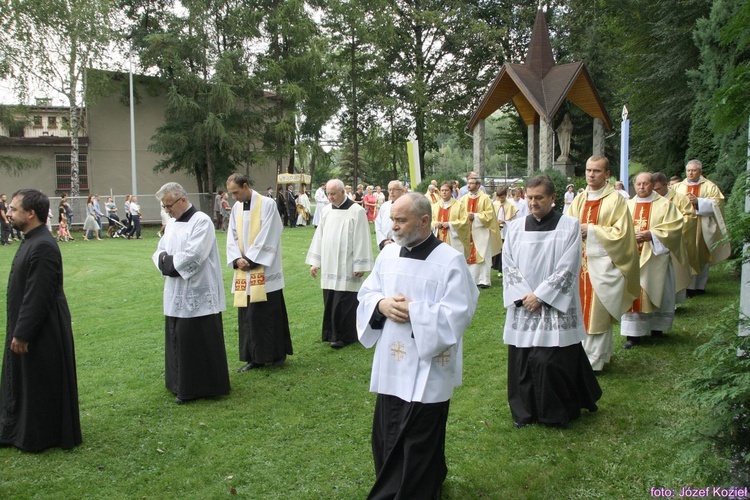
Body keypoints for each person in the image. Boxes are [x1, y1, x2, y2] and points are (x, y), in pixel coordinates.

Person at [356, 193, 478, 498]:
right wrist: (382, 304)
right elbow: (367, 293)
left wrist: (416, 311)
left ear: (424, 221)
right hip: (392, 362)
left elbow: (459, 312)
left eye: (400, 220)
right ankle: (394, 484)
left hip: (429, 365)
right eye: (392, 219)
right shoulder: (388, 255)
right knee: (388, 430)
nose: (393, 227)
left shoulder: (449, 260)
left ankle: (415, 490)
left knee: (420, 437)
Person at [502, 175, 601, 428]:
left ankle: (555, 411)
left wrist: (542, 296)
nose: (533, 203)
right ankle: (524, 412)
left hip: (554, 305)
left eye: (539, 198)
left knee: (551, 360)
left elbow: (568, 267)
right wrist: (526, 296)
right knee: (523, 359)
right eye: (530, 197)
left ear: (553, 198)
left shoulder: (569, 226)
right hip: (524, 303)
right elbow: (508, 264)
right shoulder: (515, 228)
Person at [0, 188, 81, 451]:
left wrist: (23, 334)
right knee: (28, 380)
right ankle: (18, 429)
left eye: (13, 209)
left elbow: (38, 295)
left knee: (41, 381)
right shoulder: (31, 240)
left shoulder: (43, 245)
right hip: (30, 325)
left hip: (43, 330)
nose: (9, 213)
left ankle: (40, 434)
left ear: (31, 213)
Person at [152, 182, 230, 404]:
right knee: (178, 336)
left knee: (196, 339)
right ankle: (178, 383)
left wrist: (169, 264)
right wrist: (164, 262)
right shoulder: (173, 224)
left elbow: (194, 255)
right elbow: (159, 251)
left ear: (182, 199)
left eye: (169, 205)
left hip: (198, 289)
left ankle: (201, 386)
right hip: (176, 291)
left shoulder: (202, 221)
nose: (167, 210)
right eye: (164, 206)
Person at [568, 155, 639, 371]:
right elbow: (568, 224)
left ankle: (595, 360)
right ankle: (583, 356)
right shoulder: (579, 198)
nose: (591, 174)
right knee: (579, 310)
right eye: (588, 170)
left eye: (596, 171)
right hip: (579, 263)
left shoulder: (616, 200)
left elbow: (623, 233)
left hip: (603, 264)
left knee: (598, 312)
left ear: (607, 174)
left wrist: (592, 230)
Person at [226, 173, 294, 371]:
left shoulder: (267, 204)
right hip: (244, 270)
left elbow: (270, 233)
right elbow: (232, 236)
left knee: (269, 313)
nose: (234, 197)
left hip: (263, 269)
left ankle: (277, 354)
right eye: (231, 193)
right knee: (248, 316)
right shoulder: (236, 208)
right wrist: (237, 259)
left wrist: (251, 259)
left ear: (246, 186)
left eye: (236, 192)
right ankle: (253, 357)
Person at [620, 173, 684, 349]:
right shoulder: (627, 205)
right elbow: (617, 228)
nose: (641, 187)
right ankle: (633, 335)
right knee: (633, 293)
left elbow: (675, 228)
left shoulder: (665, 205)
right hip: (632, 258)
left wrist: (651, 235)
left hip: (656, 259)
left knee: (659, 290)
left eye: (645, 184)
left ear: (652, 184)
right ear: (634, 185)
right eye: (638, 184)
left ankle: (657, 328)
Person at [306, 179, 373, 348]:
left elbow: (362, 239)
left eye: (333, 194)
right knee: (330, 299)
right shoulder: (327, 211)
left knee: (344, 302)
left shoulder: (356, 211)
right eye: (328, 193)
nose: (330, 197)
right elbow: (319, 236)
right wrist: (316, 262)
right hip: (329, 263)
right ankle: (331, 333)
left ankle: (346, 336)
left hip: (347, 264)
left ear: (343, 192)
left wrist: (360, 265)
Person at [674, 159, 731, 296]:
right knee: (685, 254)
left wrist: (698, 201)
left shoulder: (709, 186)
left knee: (701, 254)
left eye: (694, 170)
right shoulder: (678, 187)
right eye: (688, 170)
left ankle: (699, 286)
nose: (691, 173)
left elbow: (718, 202)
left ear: (700, 171)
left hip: (702, 225)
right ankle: (685, 286)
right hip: (685, 225)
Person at [652, 172, 697, 304]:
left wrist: (672, 230)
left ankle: (674, 302)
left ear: (666, 185)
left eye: (658, 189)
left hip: (674, 242)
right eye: (653, 189)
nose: (655, 192)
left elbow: (690, 217)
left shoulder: (680, 199)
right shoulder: (651, 200)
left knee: (674, 273)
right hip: (654, 242)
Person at [459, 176, 502, 288]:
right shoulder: (463, 199)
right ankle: (471, 279)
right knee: (468, 254)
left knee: (483, 254)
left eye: (472, 183)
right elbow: (460, 213)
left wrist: (475, 216)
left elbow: (489, 215)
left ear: (478, 185)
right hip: (468, 230)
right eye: (468, 183)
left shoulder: (485, 198)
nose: (469, 185)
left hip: (481, 230)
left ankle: (484, 280)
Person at [432, 181, 470, 257]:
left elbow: (465, 221)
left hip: (453, 240)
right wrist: (435, 224)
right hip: (438, 238)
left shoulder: (459, 205)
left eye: (446, 190)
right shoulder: (435, 206)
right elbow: (430, 221)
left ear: (451, 191)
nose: (444, 192)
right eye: (442, 190)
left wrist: (450, 224)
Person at [492, 187, 518, 275]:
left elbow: (514, 220)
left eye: (502, 197)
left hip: (506, 229)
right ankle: (497, 267)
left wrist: (505, 221)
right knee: (498, 248)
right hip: (498, 229)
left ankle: (503, 268)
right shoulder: (495, 204)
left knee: (505, 249)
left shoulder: (510, 205)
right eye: (499, 197)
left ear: (506, 196)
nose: (501, 199)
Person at [375, 180, 405, 250]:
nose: (391, 192)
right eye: (390, 190)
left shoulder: (407, 206)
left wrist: (393, 241)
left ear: (402, 191)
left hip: (400, 244)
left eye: (394, 189)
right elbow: (378, 224)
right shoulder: (384, 206)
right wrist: (383, 241)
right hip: (384, 244)